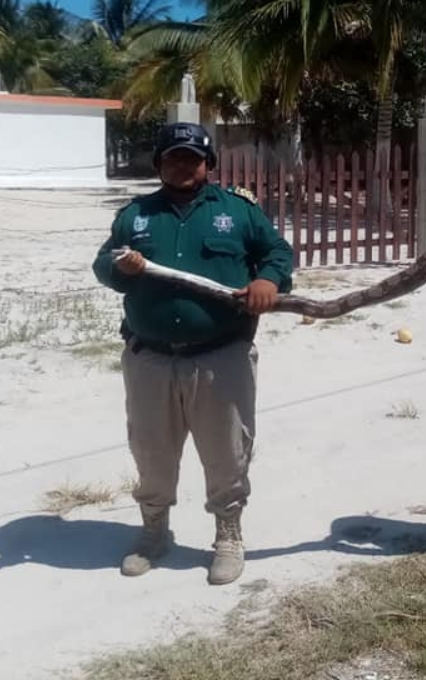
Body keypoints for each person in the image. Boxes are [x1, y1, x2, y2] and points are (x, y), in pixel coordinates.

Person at [92, 122, 294, 585]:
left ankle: (227, 536)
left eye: (192, 158)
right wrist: (117, 268)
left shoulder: (238, 212)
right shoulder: (136, 215)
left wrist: (269, 281)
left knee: (226, 452)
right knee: (151, 450)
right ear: (159, 163)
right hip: (149, 358)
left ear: (208, 164)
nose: (182, 165)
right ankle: (153, 534)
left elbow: (277, 253)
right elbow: (103, 263)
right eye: (173, 157)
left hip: (221, 356)